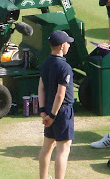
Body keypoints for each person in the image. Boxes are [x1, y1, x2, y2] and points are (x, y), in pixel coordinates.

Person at [38, 30, 75, 179]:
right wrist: (52, 115)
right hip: (62, 111)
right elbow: (61, 94)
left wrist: (43, 112)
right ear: (61, 46)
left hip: (48, 109)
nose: (69, 46)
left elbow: (41, 88)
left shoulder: (45, 63)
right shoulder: (64, 67)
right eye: (67, 44)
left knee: (47, 146)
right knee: (63, 149)